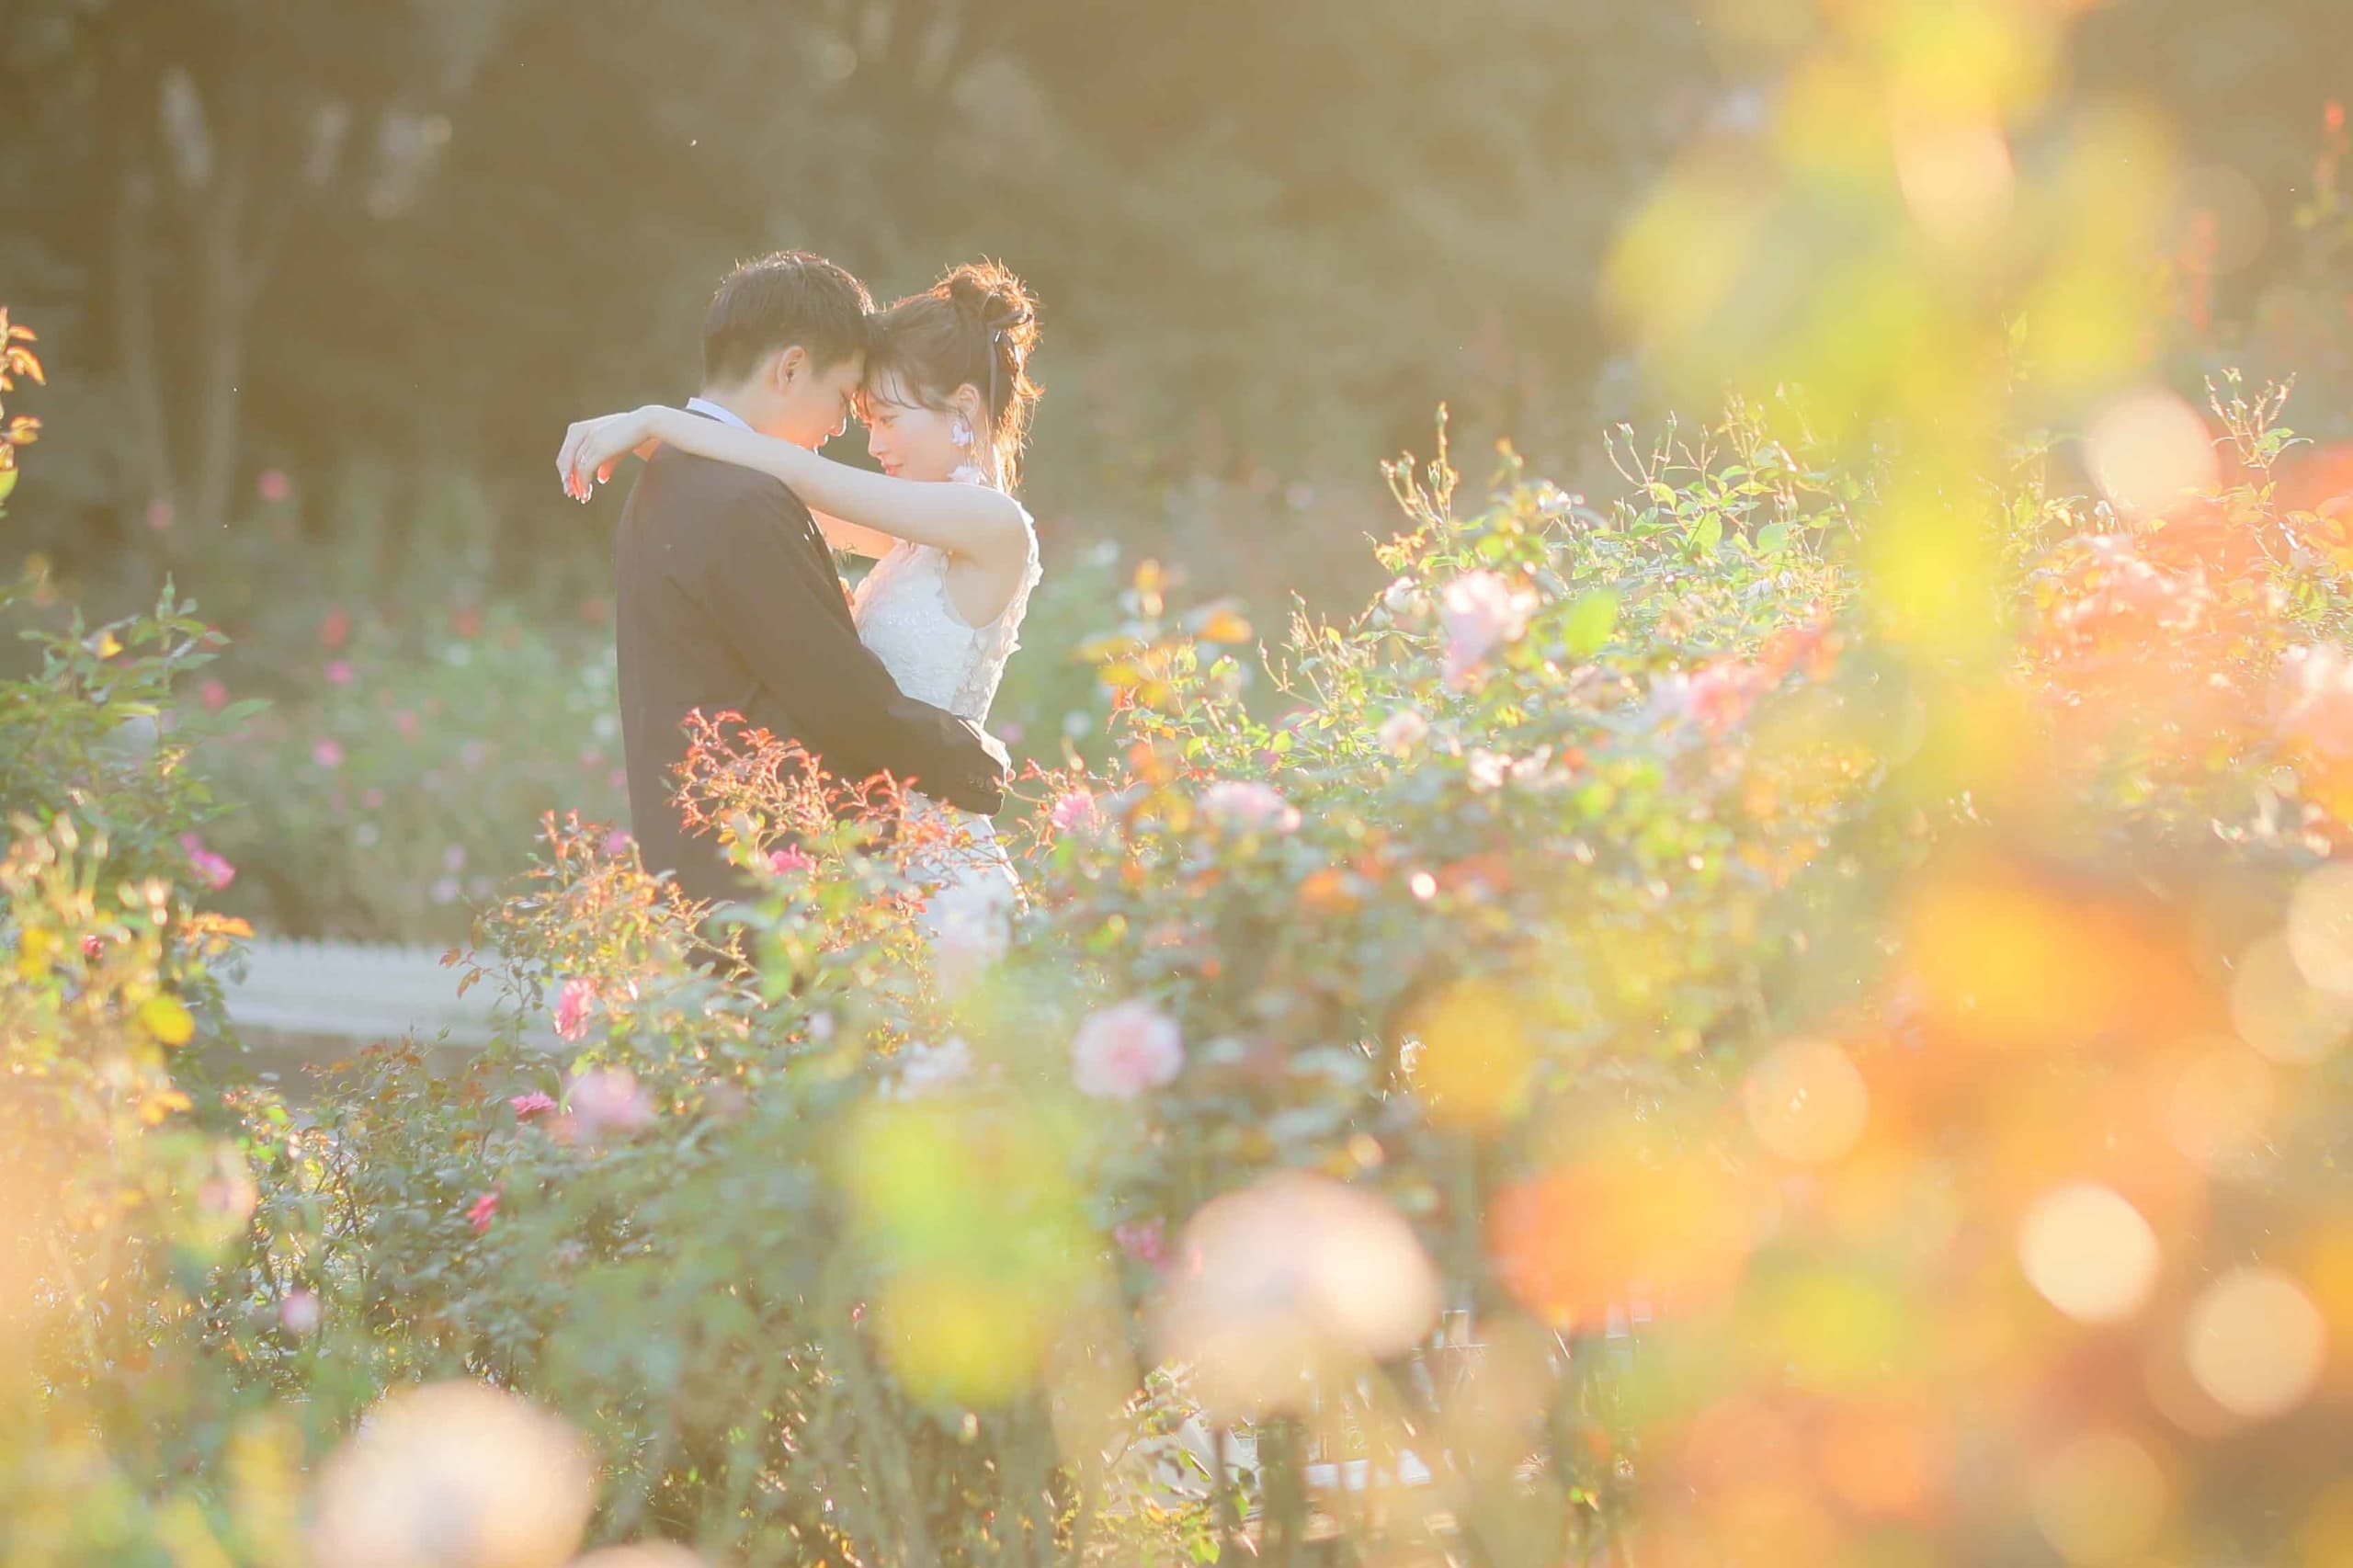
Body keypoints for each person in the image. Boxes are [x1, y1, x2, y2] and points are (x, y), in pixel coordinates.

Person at [563, 259, 1042, 937]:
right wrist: (659, 441)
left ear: (963, 408)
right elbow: (778, 488)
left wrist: (654, 420)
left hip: (931, 848)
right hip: (874, 852)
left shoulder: (991, 524)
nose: (870, 443)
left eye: (887, 419)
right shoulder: (916, 536)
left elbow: (796, 475)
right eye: (863, 415)